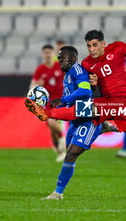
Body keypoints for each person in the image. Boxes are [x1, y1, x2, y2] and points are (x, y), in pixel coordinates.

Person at [25, 30, 126, 200]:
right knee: (84, 108)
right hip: (107, 101)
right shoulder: (86, 64)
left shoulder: (117, 49)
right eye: (88, 46)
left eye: (95, 45)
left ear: (103, 44)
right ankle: (47, 113)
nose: (91, 49)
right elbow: (88, 88)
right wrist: (93, 84)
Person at [37, 46, 102, 200]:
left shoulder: (77, 70)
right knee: (69, 154)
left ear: (73, 58)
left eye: (63, 58)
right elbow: (71, 97)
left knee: (71, 154)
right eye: (59, 59)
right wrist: (61, 106)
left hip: (87, 118)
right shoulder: (67, 76)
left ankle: (58, 193)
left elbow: (85, 90)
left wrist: (64, 100)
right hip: (75, 120)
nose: (60, 61)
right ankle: (104, 127)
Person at [29, 44, 66, 162]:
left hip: (60, 100)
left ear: (54, 54)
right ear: (43, 54)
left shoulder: (60, 67)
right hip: (47, 101)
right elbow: (32, 86)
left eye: (50, 52)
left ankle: (62, 139)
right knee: (51, 128)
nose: (48, 55)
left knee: (50, 122)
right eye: (46, 53)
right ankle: (60, 151)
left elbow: (69, 78)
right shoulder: (40, 69)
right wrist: (36, 85)